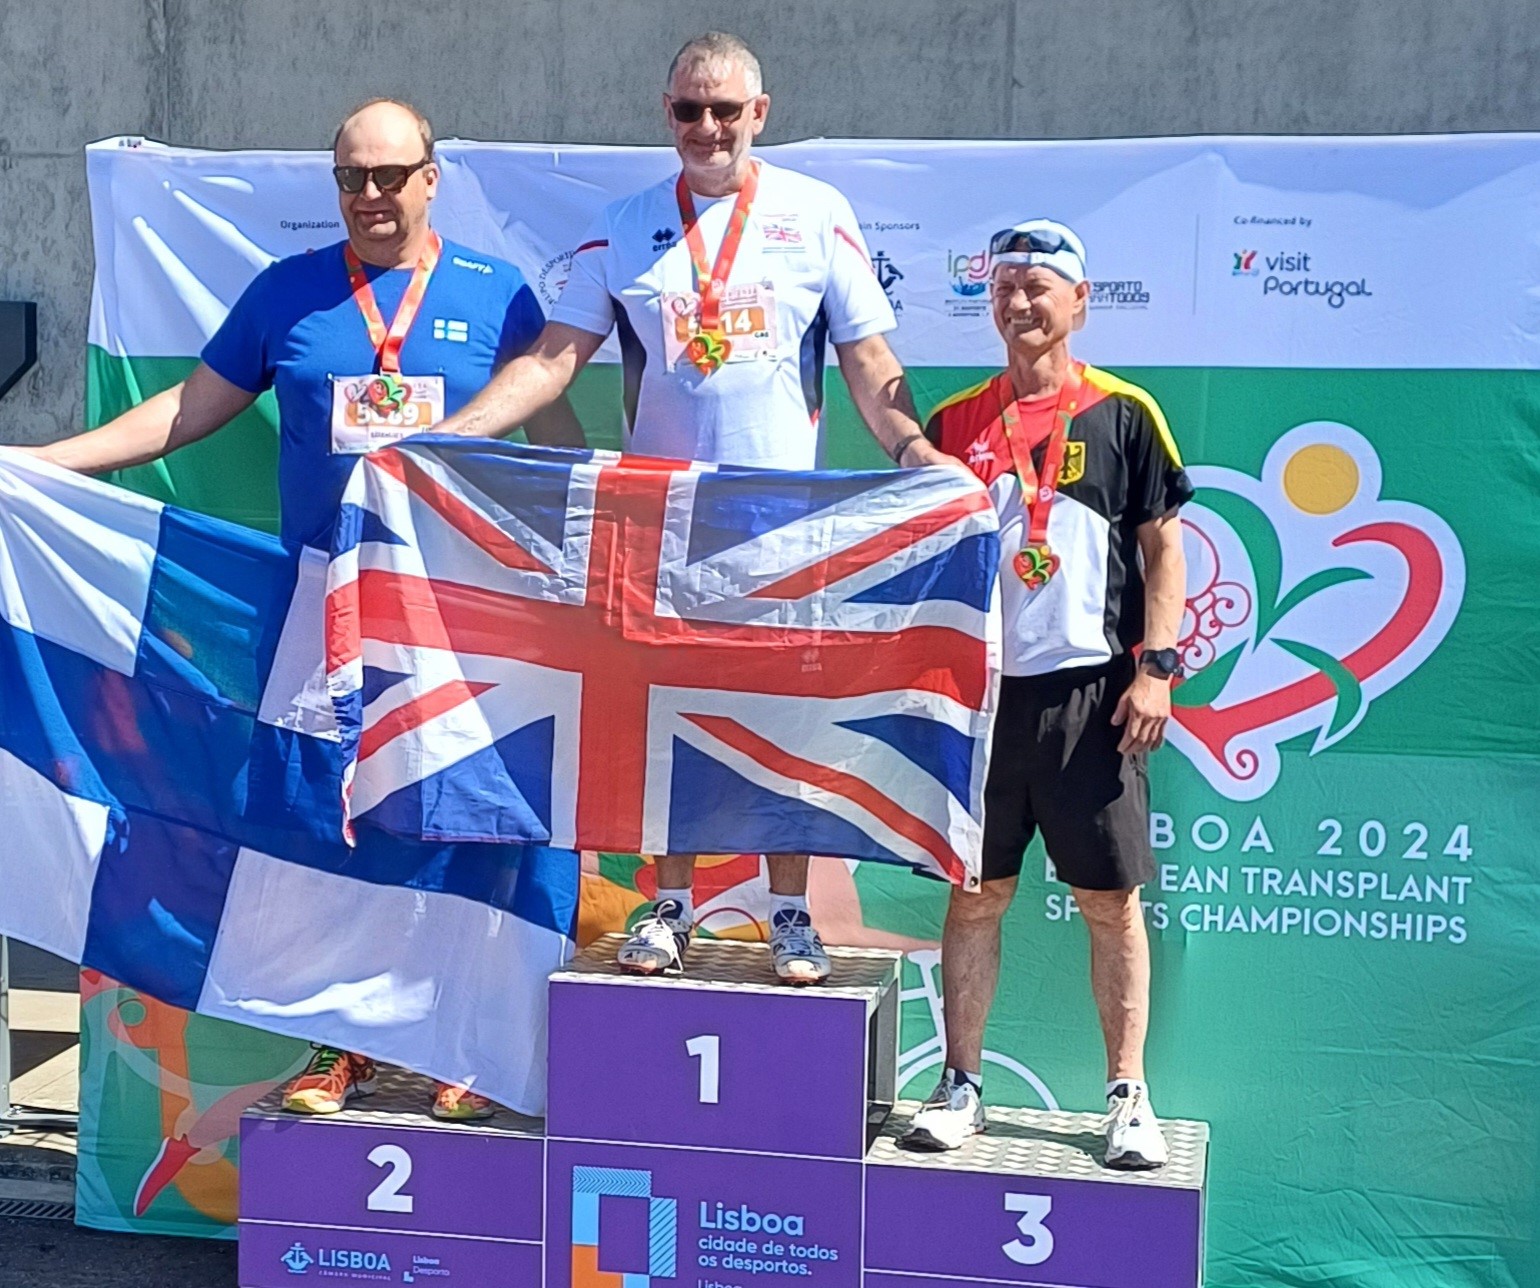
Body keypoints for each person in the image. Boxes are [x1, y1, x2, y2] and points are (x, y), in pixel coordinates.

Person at [17, 98, 583, 1120]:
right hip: (320, 623)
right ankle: (343, 1046)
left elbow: (557, 443)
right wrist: (35, 466)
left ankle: (480, 1046)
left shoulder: (498, 296)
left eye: (389, 175)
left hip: (456, 616)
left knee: (479, 820)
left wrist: (569, 564)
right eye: (352, 178)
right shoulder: (288, 294)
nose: (371, 195)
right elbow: (186, 411)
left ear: (430, 178)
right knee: (334, 825)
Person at [434, 31, 955, 985]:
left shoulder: (816, 214)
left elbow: (869, 361)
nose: (707, 128)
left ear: (761, 113)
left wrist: (918, 452)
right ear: (665, 116)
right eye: (689, 111)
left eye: (726, 110)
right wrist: (452, 435)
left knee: (789, 717)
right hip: (663, 521)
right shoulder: (625, 225)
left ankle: (789, 909)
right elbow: (554, 360)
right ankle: (667, 906)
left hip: (787, 522)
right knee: (668, 716)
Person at [901, 220, 1190, 1169]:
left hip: (1094, 699)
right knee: (976, 899)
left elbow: (1163, 550)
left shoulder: (1123, 413)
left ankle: (1128, 1096)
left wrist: (1158, 666)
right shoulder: (952, 425)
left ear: (1080, 300)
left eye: (1040, 287)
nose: (1020, 303)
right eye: (1005, 287)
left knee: (1110, 904)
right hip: (983, 703)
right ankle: (962, 1086)